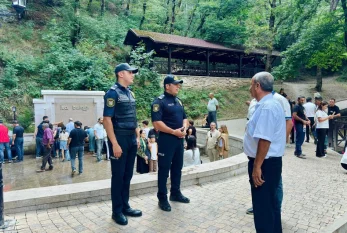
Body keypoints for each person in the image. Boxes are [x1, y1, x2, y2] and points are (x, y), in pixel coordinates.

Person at [244, 72, 286, 233]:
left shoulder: (267, 107)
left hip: (265, 164)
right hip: (268, 163)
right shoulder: (267, 104)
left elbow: (265, 140)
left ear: (257, 86)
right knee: (271, 205)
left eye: (251, 84)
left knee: (263, 209)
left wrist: (257, 167)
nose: (250, 88)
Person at [103, 63, 142, 226]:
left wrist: (137, 137)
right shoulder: (112, 93)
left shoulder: (130, 93)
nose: (132, 74)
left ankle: (125, 206)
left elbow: (134, 117)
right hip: (119, 138)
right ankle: (116, 211)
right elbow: (107, 120)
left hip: (131, 138)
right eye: (130, 72)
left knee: (127, 175)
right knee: (118, 176)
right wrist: (114, 144)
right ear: (120, 74)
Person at [151, 74, 189, 212]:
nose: (178, 86)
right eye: (175, 84)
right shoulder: (159, 102)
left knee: (177, 167)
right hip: (167, 140)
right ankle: (162, 197)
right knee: (163, 170)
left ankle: (175, 193)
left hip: (179, 139)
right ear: (167, 86)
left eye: (179, 84)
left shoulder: (178, 101)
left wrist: (184, 128)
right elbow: (156, 123)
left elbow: (185, 118)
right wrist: (174, 132)